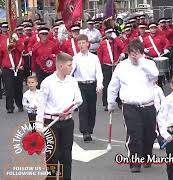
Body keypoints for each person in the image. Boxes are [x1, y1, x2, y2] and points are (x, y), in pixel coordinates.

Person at [108, 40, 159, 173]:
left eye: (137, 53)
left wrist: (141, 62)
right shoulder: (122, 67)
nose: (135, 56)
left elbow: (155, 75)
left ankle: (147, 156)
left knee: (149, 134)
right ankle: (135, 161)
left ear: (142, 53)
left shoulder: (149, 64)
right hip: (130, 106)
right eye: (132, 53)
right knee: (134, 134)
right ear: (128, 54)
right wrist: (111, 102)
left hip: (148, 105)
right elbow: (113, 86)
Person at [35, 52, 83, 180]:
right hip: (51, 123)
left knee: (66, 156)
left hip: (67, 122)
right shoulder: (47, 82)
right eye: (69, 65)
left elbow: (78, 100)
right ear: (61, 66)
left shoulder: (72, 81)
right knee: (52, 156)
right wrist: (39, 127)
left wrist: (69, 110)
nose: (71, 67)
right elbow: (41, 106)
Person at [72, 34, 103, 142]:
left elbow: (98, 72)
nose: (81, 45)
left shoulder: (94, 58)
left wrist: (99, 84)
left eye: (83, 43)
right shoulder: (75, 58)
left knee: (91, 109)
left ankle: (90, 129)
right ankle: (85, 131)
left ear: (87, 44)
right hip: (80, 85)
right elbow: (71, 72)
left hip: (92, 84)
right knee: (83, 108)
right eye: (79, 43)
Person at [97, 27, 124, 111]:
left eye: (111, 33)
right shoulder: (102, 43)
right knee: (106, 84)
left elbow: (123, 47)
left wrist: (116, 38)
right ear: (106, 34)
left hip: (116, 65)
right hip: (106, 66)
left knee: (118, 84)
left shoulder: (117, 41)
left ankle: (119, 101)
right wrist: (101, 66)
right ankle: (106, 103)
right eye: (108, 33)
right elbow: (100, 55)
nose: (110, 34)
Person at [0, 34, 25, 113]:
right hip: (7, 69)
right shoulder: (3, 42)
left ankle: (20, 105)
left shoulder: (20, 41)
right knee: (8, 88)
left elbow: (22, 50)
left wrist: (16, 42)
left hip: (19, 69)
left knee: (18, 88)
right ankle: (10, 107)